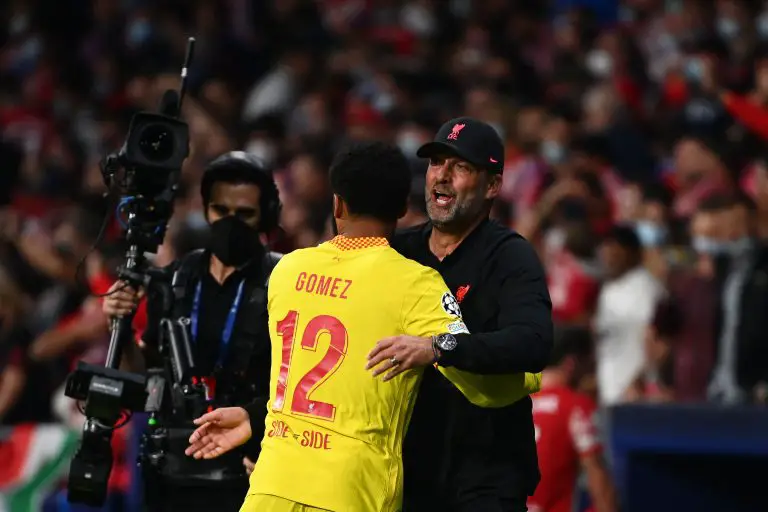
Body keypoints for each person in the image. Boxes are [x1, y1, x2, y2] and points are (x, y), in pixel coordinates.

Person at [185, 141, 539, 512]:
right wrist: (525, 378)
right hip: (352, 491)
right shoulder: (415, 283)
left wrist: (253, 417)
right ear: (403, 209)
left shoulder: (288, 271)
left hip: (271, 485)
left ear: (337, 203)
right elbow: (479, 387)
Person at [367, 117, 554, 511]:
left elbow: (533, 342)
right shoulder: (394, 252)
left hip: (486, 470)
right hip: (408, 465)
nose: (442, 177)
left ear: (492, 186)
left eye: (462, 167)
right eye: (436, 163)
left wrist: (439, 347)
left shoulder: (510, 256)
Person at [101, 151, 282, 512]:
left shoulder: (286, 280)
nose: (231, 223)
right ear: (206, 210)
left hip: (250, 462)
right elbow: (142, 372)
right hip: (172, 466)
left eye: (245, 214)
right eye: (221, 211)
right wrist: (116, 325)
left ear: (268, 214)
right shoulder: (175, 278)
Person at [528, 326, 617, 512]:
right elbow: (599, 484)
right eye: (588, 361)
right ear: (571, 363)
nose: (592, 368)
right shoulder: (575, 407)